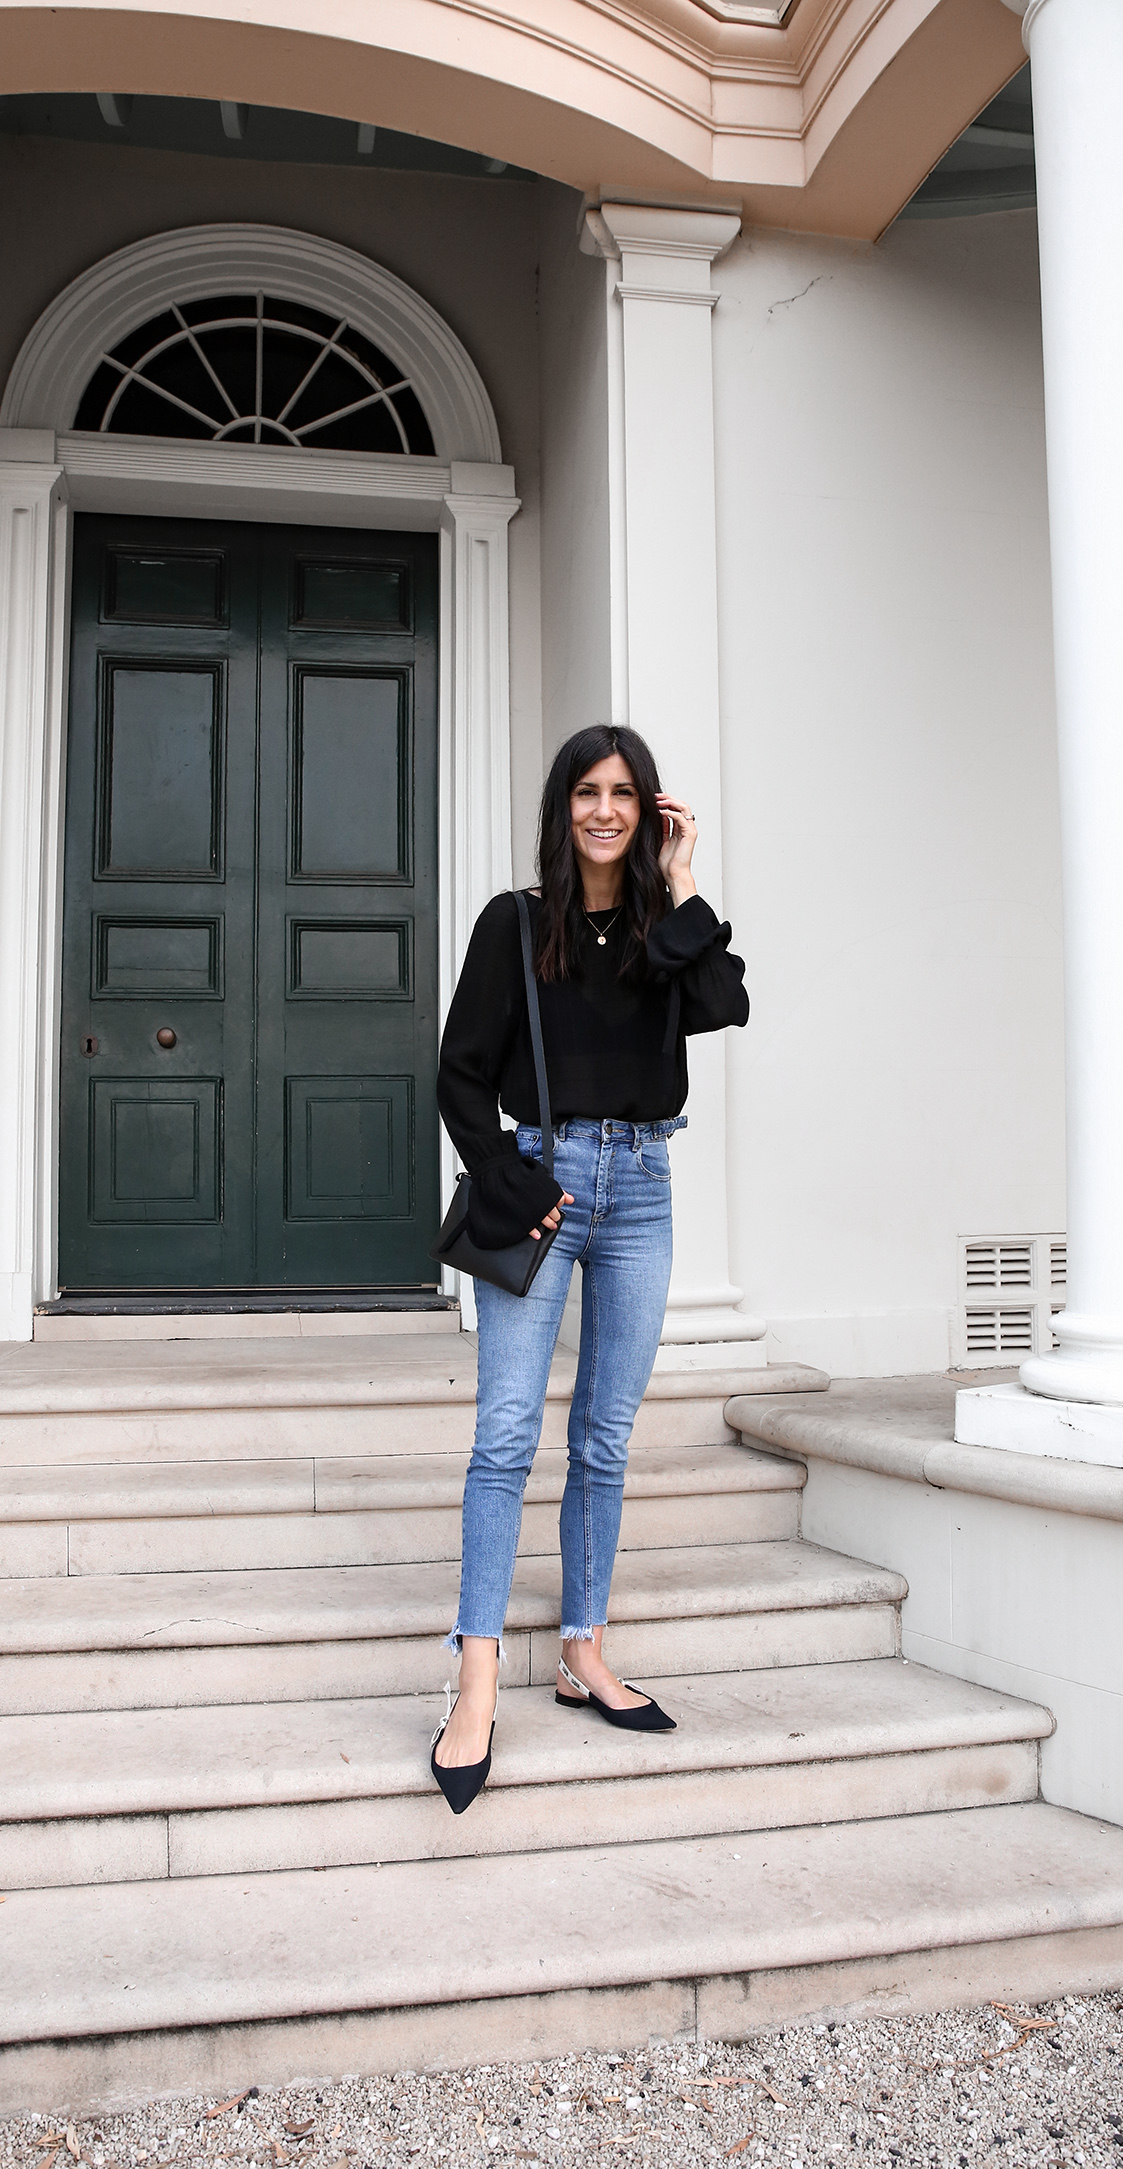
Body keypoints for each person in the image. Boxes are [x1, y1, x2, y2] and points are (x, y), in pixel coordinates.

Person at [429, 721, 750, 1812]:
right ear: (560, 809)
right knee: (507, 1435)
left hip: (645, 1190)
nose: (604, 810)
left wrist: (684, 880)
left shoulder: (671, 935)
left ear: (648, 809)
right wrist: (512, 1181)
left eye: (625, 793)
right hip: (544, 1186)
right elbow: (460, 1075)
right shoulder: (515, 926)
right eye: (585, 793)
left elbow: (724, 1006)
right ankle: (475, 1680)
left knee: (605, 1435)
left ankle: (583, 1649)